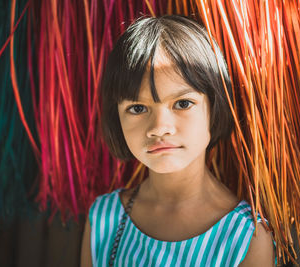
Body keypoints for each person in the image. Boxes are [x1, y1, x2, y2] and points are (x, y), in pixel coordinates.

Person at [80, 14, 276, 266]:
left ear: (215, 106)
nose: (159, 128)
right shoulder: (104, 220)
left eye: (183, 103)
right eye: (138, 108)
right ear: (116, 116)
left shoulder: (246, 238)